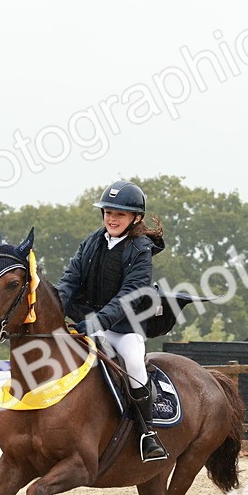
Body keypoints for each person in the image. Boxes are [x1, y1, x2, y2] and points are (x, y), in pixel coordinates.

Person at [57, 179, 168, 462]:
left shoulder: (141, 250)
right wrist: (56, 308)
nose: (112, 218)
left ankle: (147, 433)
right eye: (108, 212)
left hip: (124, 327)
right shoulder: (92, 242)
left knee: (133, 363)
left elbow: (129, 297)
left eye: (119, 214)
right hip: (86, 323)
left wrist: (97, 322)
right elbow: (70, 280)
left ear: (136, 218)